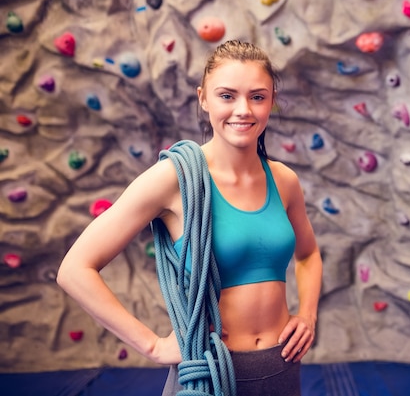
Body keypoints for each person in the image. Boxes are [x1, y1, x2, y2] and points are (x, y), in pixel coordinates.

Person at [57, 40, 323, 396]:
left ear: (271, 100)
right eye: (227, 96)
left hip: (281, 367)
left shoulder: (284, 180)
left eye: (257, 97)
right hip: (210, 373)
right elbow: (75, 269)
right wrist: (152, 346)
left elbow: (308, 255)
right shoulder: (173, 179)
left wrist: (307, 315)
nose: (243, 109)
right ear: (203, 98)